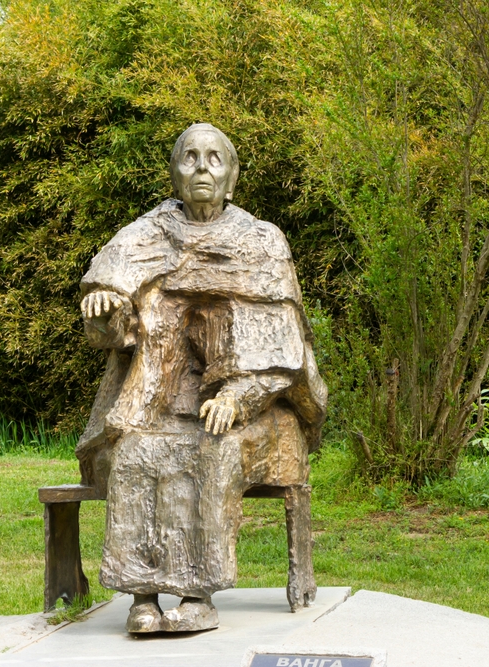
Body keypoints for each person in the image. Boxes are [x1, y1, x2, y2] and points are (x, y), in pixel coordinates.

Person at [75, 123, 327, 633]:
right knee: (134, 452)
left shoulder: (260, 242)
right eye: (189, 157)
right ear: (174, 174)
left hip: (255, 408)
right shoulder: (147, 235)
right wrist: (107, 306)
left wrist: (239, 397)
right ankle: (141, 596)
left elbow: (283, 352)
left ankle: (197, 595)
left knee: (212, 450)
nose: (202, 168)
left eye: (215, 158)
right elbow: (112, 325)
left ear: (231, 179)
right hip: (160, 405)